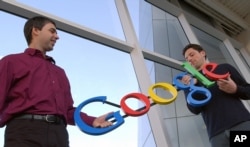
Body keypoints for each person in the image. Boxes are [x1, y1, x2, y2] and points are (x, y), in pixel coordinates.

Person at [0, 16, 112, 147]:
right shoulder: (11, 62)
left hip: (59, 135)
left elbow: (68, 110)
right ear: (35, 30)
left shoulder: (59, 72)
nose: (57, 36)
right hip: (24, 132)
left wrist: (92, 121)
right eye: (52, 31)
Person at [181, 43, 250, 147]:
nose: (189, 59)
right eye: (187, 58)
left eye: (192, 55)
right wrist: (192, 88)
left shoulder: (224, 68)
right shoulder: (189, 82)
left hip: (240, 125)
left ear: (202, 53)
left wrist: (235, 89)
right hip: (217, 136)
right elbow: (194, 110)